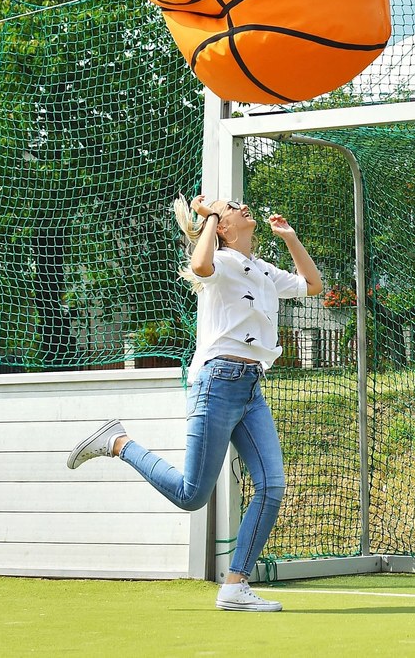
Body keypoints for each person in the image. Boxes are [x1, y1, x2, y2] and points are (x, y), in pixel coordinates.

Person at [66, 194, 323, 612]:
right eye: (234, 206)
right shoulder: (218, 263)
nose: (245, 207)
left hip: (251, 387)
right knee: (191, 496)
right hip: (216, 382)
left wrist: (291, 238)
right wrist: (209, 219)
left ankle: (235, 585)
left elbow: (313, 285)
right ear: (223, 227)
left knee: (271, 486)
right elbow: (201, 265)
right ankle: (119, 443)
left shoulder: (262, 270)